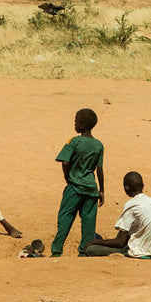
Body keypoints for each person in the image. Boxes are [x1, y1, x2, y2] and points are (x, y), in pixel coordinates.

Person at [49, 108, 105, 257]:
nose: (74, 124)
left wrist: (68, 179)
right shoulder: (99, 145)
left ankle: (56, 251)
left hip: (74, 187)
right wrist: (102, 190)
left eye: (76, 121)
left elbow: (65, 163)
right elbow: (99, 169)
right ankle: (84, 253)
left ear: (83, 124)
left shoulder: (73, 141)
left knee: (65, 218)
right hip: (91, 189)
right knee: (89, 223)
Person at [82, 172, 151, 259]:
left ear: (126, 188)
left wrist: (96, 242)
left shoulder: (131, 205)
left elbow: (120, 242)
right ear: (143, 186)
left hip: (140, 251)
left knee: (91, 249)